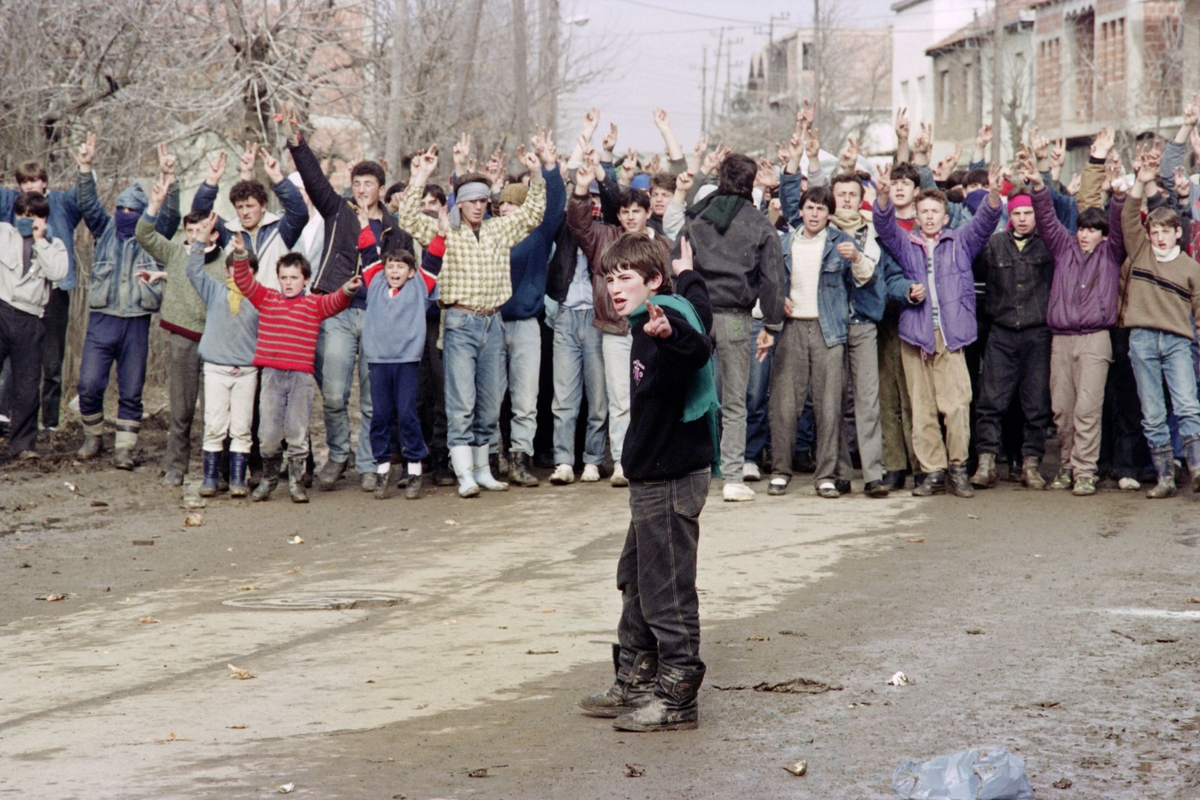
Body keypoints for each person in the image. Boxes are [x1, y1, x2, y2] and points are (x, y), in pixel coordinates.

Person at [578, 233, 715, 732]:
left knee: (667, 591)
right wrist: (689, 271)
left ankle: (678, 697)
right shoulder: (669, 303)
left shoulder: (664, 321)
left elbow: (697, 348)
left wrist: (667, 338)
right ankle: (635, 679)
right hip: (652, 477)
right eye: (610, 279)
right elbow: (700, 299)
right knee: (635, 580)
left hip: (672, 478)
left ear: (653, 283)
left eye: (626, 279)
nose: (615, 288)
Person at [397, 137, 548, 499]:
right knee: (461, 400)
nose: (478, 206)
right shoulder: (445, 231)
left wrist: (536, 172)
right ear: (459, 204)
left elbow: (533, 214)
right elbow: (405, 217)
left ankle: (482, 469)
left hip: (493, 321)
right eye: (471, 201)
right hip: (460, 322)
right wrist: (421, 177)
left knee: (489, 400)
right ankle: (464, 471)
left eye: (483, 200)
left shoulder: (498, 229)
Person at [280, 103, 414, 493]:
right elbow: (313, 178)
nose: (361, 189)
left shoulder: (393, 229)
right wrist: (296, 141)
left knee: (374, 399)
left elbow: (401, 273)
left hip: (375, 317)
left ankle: (370, 464)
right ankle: (339, 455)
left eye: (369, 184)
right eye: (357, 183)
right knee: (335, 393)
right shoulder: (338, 211)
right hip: (336, 311)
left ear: (380, 188)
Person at [875, 161, 1003, 498]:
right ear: (917, 216)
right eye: (924, 212)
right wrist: (884, 197)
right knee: (922, 409)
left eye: (936, 211)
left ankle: (958, 467)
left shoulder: (960, 242)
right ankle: (932, 471)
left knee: (958, 405)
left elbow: (986, 222)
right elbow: (885, 228)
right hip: (916, 335)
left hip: (951, 336)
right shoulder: (906, 243)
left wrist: (993, 193)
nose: (930, 217)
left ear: (946, 217)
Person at [673, 152, 785, 502]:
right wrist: (771, 323)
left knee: (694, 395)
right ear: (751, 183)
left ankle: (689, 471)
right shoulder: (761, 224)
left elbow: (676, 261)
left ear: (720, 179)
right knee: (736, 401)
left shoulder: (695, 218)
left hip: (697, 313)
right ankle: (733, 478)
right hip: (738, 317)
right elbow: (772, 280)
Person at [74, 134, 181, 468]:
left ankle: (125, 448)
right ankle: (93, 437)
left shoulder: (151, 236)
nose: (124, 214)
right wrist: (85, 166)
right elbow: (88, 202)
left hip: (136, 323)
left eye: (132, 210)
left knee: (132, 390)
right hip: (102, 321)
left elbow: (171, 216)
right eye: (120, 208)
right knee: (89, 384)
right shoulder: (104, 229)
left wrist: (169, 180)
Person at [1028, 128, 1125, 497]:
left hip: (1096, 339)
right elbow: (1048, 219)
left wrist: (1116, 198)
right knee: (1062, 411)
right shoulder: (1062, 248)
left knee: (1087, 408)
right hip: (1062, 339)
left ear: (1101, 235)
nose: (1084, 235)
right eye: (1082, 229)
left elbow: (1118, 227)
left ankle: (1085, 470)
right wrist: (1039, 186)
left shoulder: (1111, 252)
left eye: (1091, 231)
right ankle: (1067, 465)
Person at [566, 147, 672, 486]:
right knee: (619, 398)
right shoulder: (606, 238)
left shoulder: (662, 244)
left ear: (646, 213)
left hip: (652, 330)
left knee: (652, 393)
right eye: (624, 211)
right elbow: (579, 225)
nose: (629, 217)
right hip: (613, 329)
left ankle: (652, 456)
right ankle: (625, 463)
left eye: (636, 211)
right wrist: (582, 189)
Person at [768, 178, 875, 498]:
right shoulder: (784, 243)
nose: (814, 214)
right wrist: (777, 301)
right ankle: (780, 470)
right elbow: (769, 280)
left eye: (821, 209)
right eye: (810, 208)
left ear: (829, 214)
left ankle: (825, 475)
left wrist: (856, 258)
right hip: (792, 328)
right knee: (784, 405)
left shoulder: (840, 241)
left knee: (830, 405)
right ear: (800, 211)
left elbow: (866, 277)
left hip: (828, 329)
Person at [231, 239, 359, 503]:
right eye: (284, 278)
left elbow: (335, 302)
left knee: (298, 432)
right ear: (277, 279)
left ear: (306, 280)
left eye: (294, 277)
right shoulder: (267, 299)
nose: (288, 283)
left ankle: (296, 482)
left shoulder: (313, 305)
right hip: (272, 377)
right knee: (267, 435)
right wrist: (241, 255)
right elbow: (244, 282)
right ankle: (268, 479)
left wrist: (347, 289)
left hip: (300, 378)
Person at [1119, 144, 1200, 499]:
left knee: (1187, 406)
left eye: (1167, 231)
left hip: (1178, 342)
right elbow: (1126, 219)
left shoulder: (1191, 268)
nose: (1161, 236)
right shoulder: (1139, 252)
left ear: (1178, 233)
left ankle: (1197, 469)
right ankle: (1165, 477)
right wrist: (1141, 181)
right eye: (1155, 231)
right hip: (1141, 340)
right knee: (1151, 412)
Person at [968, 175, 1056, 491]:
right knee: (990, 401)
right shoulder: (993, 246)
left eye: (1028, 213)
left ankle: (1031, 464)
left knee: (1036, 404)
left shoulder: (1049, 245)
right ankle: (986, 462)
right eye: (1017, 213)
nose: (1022, 219)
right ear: (1009, 214)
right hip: (1000, 333)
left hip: (1037, 334)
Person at [134, 175, 222, 487]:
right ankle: (176, 467)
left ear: (212, 232)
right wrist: (154, 206)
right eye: (190, 231)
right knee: (181, 408)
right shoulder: (175, 253)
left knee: (215, 411)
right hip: (183, 337)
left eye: (202, 230)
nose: (195, 236)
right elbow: (144, 235)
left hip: (215, 341)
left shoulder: (223, 261)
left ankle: (218, 470)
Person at [496, 132, 566, 487]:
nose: (507, 209)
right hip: (490, 323)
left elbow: (554, 205)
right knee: (491, 398)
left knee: (525, 398)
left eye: (514, 204)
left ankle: (520, 458)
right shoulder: (489, 235)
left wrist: (546, 168)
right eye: (503, 204)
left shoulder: (538, 236)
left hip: (525, 324)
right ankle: (493, 456)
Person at [0, 162, 83, 433]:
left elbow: (84, 200)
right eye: (25, 182)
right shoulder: (10, 221)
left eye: (36, 181)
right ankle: (7, 416)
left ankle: (50, 421)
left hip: (55, 293)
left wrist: (85, 167)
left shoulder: (59, 208)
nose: (31, 186)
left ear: (45, 183)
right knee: (16, 361)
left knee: (52, 360)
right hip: (19, 302)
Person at [183, 213, 262, 498]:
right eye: (235, 268)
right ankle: (210, 478)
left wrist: (242, 253)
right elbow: (193, 271)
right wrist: (200, 242)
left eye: (246, 270)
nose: (240, 275)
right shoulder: (215, 290)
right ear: (227, 271)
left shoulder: (260, 298)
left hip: (246, 370)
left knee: (241, 427)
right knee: (214, 425)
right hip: (216, 367)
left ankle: (239, 480)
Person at [357, 224, 438, 500]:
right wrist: (364, 224)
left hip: (406, 361)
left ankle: (414, 469)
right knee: (380, 415)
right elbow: (367, 252)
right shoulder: (376, 283)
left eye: (400, 267)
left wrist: (440, 233)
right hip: (378, 361)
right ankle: (382, 469)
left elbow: (434, 259)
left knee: (406, 414)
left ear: (411, 271)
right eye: (390, 266)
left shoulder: (419, 286)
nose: (394, 272)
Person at [826, 169, 889, 497]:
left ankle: (873, 474)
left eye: (852, 194)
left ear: (861, 197)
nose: (846, 200)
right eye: (841, 194)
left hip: (863, 324)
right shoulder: (823, 231)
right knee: (834, 400)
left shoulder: (872, 233)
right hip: (831, 325)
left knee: (867, 400)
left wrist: (859, 258)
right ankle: (839, 472)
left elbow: (877, 277)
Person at [546, 160, 609, 486]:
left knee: (598, 397)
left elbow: (614, 199)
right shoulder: (566, 227)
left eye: (597, 197)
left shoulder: (609, 230)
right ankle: (563, 461)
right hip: (567, 316)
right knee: (564, 397)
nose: (593, 203)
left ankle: (594, 461)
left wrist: (603, 170)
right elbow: (556, 204)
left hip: (597, 319)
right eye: (589, 197)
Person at [190, 141, 310, 292]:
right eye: (240, 207)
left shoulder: (280, 228)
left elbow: (299, 212)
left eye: (250, 206)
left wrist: (277, 178)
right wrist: (211, 181)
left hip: (273, 307)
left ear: (264, 206)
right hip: (239, 309)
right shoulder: (228, 231)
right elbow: (199, 217)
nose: (244, 212)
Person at [0, 193, 68, 459]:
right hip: (2, 308)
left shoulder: (55, 245)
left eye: (35, 215)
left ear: (45, 219)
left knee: (28, 386)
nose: (27, 220)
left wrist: (41, 241)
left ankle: (22, 445)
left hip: (31, 317)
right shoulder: (4, 233)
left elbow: (58, 273)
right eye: (23, 214)